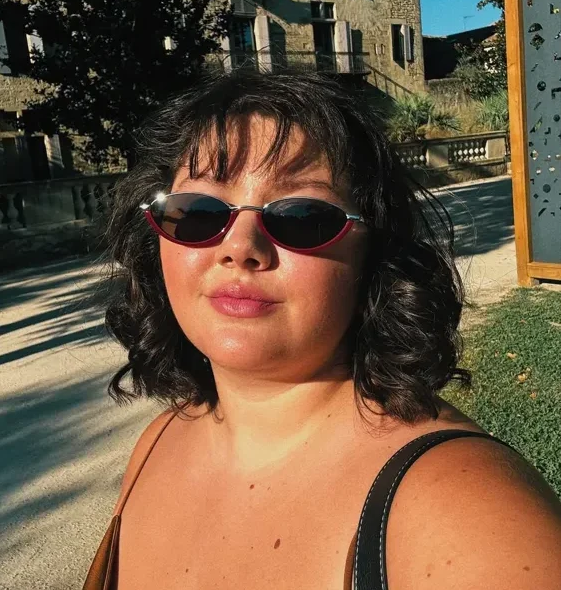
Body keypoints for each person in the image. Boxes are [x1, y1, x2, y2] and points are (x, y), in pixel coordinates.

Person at [84, 71, 561, 590]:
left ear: (373, 255)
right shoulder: (157, 443)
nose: (239, 247)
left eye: (302, 216)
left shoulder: (470, 521)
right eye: (198, 212)